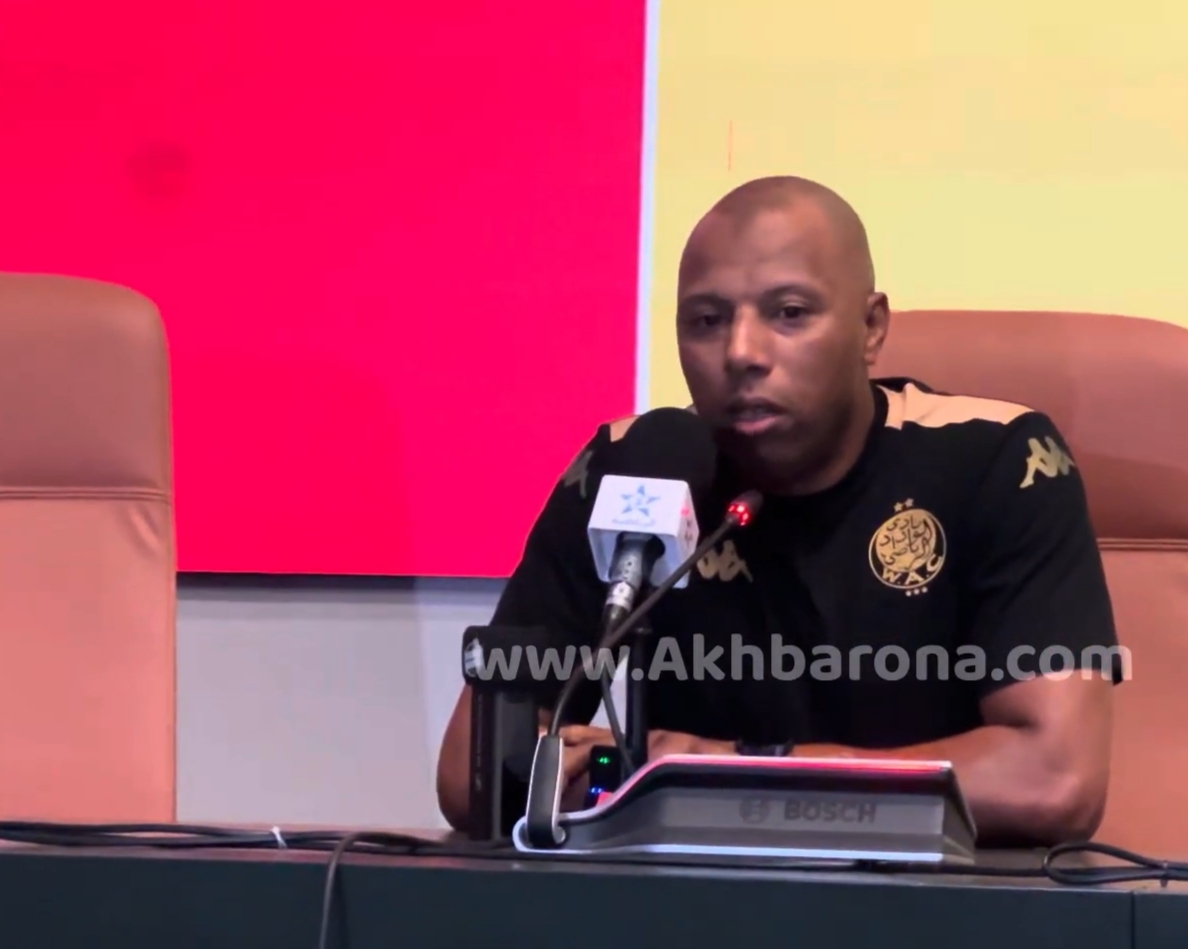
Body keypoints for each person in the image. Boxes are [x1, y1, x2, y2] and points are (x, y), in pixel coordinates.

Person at [437, 176, 1121, 846]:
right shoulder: (635, 468)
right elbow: (473, 773)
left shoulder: (995, 461)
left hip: (930, 893)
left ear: (870, 328)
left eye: (788, 313)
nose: (741, 352)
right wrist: (594, 774)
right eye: (706, 321)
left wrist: (725, 768)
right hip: (684, 892)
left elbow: (1054, 780)